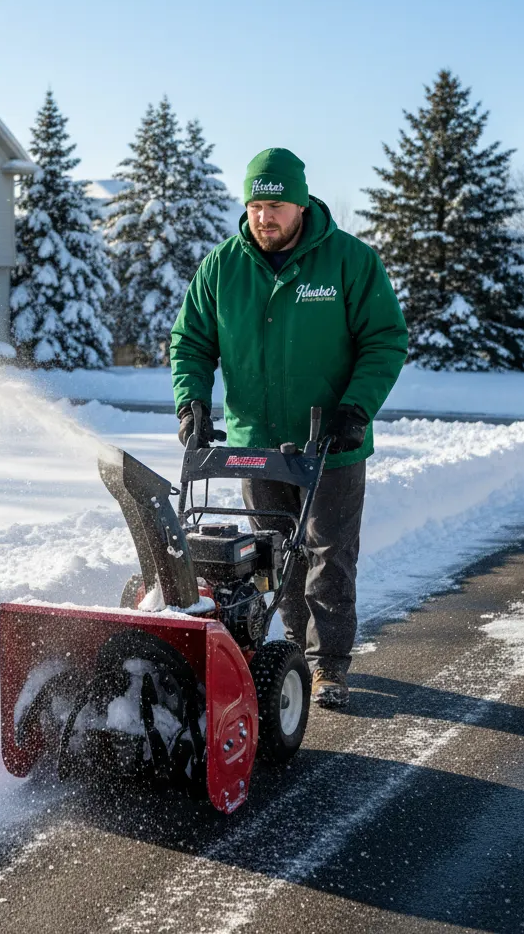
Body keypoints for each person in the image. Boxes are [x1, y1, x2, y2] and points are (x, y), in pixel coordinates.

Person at [170, 148, 408, 709]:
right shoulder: (222, 267)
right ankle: (291, 655)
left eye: (275, 205)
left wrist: (357, 409)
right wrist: (192, 404)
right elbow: (191, 343)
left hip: (332, 443)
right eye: (255, 205)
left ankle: (329, 667)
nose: (264, 217)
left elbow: (385, 339)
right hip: (256, 443)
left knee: (329, 553)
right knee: (276, 555)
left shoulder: (349, 262)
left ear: (300, 204)